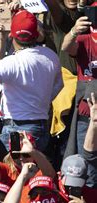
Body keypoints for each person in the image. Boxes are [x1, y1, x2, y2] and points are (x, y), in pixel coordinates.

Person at [0, 9, 63, 152]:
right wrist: (41, 101)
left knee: (13, 173)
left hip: (16, 128)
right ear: (36, 34)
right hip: (41, 125)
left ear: (11, 34)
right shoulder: (51, 56)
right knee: (35, 172)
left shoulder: (13, 62)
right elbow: (59, 85)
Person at [61, 11, 97, 187]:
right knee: (86, 159)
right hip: (86, 112)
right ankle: (90, 198)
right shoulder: (84, 39)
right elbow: (66, 47)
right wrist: (74, 30)